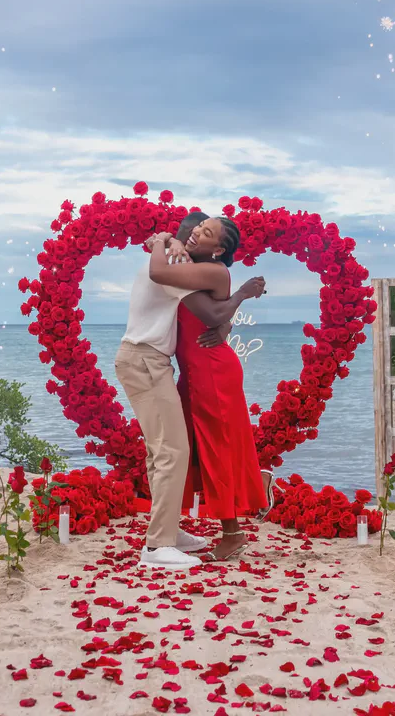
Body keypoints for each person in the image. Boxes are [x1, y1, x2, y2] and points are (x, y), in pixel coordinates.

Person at [114, 213, 266, 570]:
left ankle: (191, 533)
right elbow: (211, 314)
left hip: (205, 371)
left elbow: (212, 315)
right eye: (193, 230)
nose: (195, 234)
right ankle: (165, 537)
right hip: (170, 367)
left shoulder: (188, 267)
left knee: (193, 448)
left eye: (204, 232)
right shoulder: (175, 263)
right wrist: (164, 240)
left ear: (218, 248)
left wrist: (164, 241)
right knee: (177, 450)